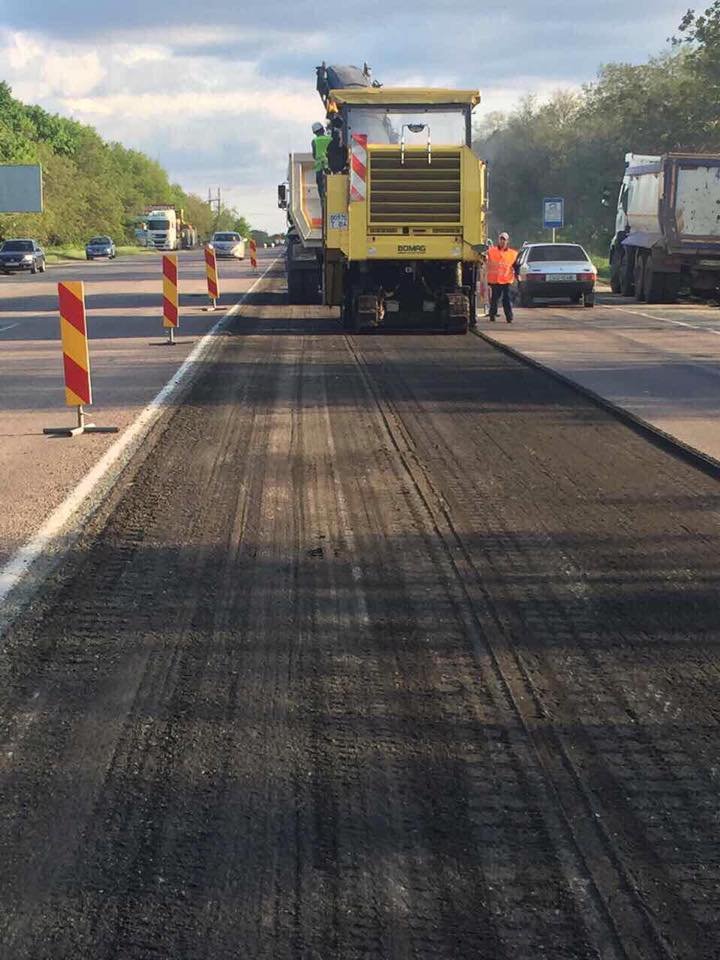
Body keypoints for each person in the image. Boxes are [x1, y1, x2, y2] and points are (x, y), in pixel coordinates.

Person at [486, 231, 519, 323]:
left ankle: (509, 317)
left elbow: (516, 265)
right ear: (498, 240)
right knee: (494, 299)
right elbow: (485, 260)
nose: (502, 241)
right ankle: (492, 315)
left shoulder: (513, 253)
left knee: (506, 299)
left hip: (507, 280)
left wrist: (518, 275)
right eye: (501, 239)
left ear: (507, 241)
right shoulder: (491, 251)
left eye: (504, 240)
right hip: (495, 280)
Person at [311, 122, 331, 199]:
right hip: (330, 165)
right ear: (323, 129)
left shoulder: (314, 141)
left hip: (319, 167)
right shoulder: (330, 138)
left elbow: (314, 155)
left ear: (315, 132)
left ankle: (322, 199)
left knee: (320, 186)